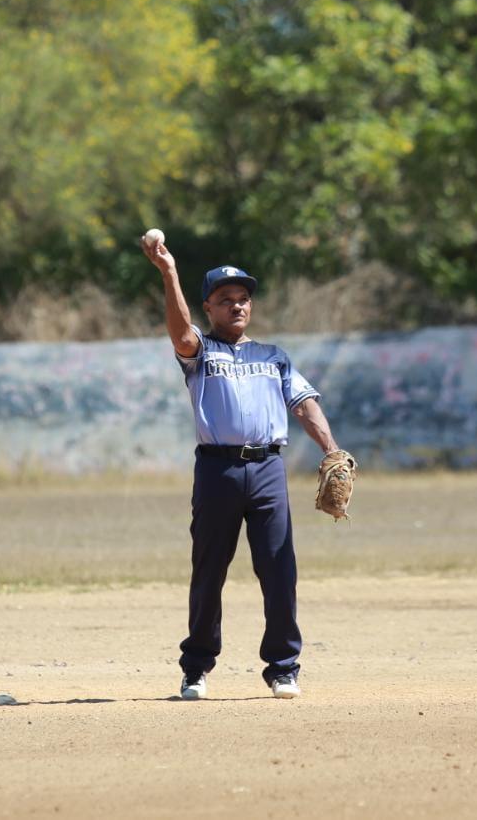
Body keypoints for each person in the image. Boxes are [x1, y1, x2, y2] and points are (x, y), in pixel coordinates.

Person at [141, 231, 342, 700]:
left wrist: (331, 449)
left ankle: (283, 667)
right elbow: (178, 332)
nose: (237, 306)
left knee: (278, 568)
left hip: (268, 469)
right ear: (208, 307)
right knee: (209, 569)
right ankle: (196, 667)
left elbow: (305, 403)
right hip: (217, 470)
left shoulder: (274, 357)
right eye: (225, 299)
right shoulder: (201, 354)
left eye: (243, 298)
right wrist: (168, 272)